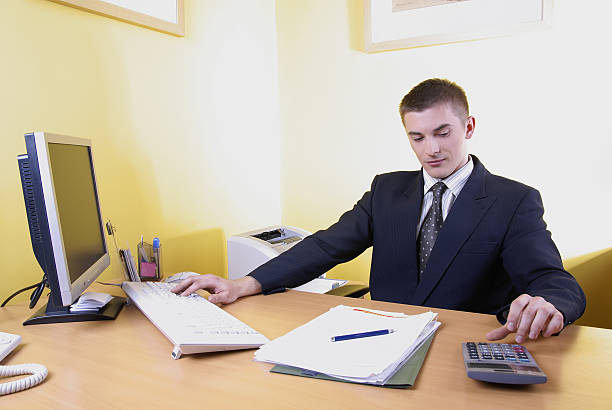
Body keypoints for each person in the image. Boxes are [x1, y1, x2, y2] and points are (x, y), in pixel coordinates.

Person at [172, 78, 586, 344]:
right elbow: (325, 247)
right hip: (376, 342)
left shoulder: (513, 199)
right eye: (418, 137)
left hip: (460, 350)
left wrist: (550, 303)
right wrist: (245, 284)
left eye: (443, 133)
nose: (432, 149)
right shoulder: (387, 189)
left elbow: (551, 278)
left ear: (469, 127)